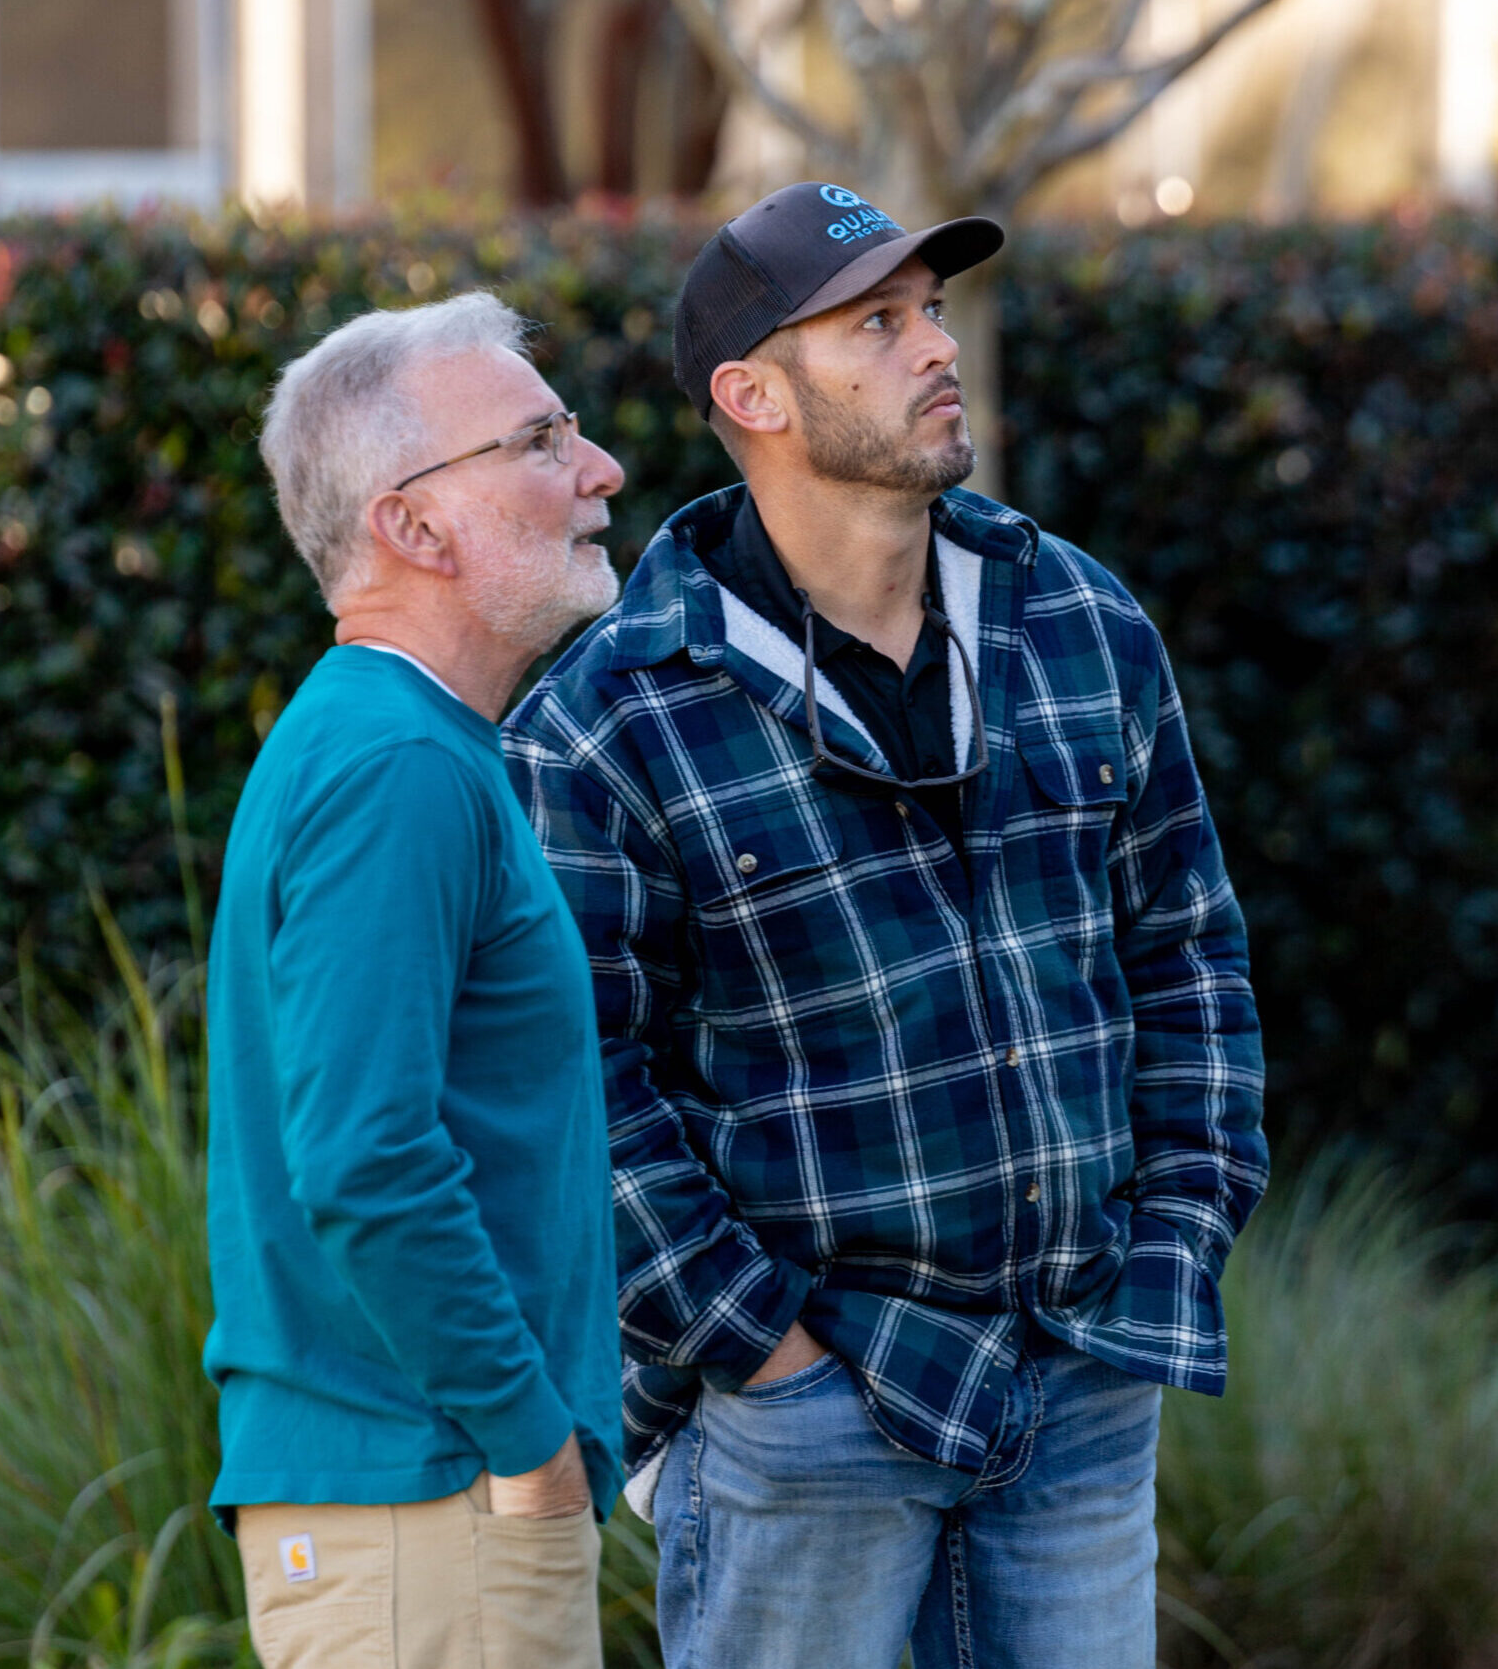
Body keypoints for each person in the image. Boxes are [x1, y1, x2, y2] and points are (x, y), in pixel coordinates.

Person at [503, 184, 1267, 1669]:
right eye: (875, 322)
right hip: (811, 1423)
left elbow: (1189, 949)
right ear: (752, 394)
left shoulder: (1080, 624)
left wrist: (1173, 1237)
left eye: (928, 309)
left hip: (1085, 1378)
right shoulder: (610, 719)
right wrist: (766, 1355)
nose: (934, 345)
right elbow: (574, 1090)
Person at [204, 291, 625, 1669]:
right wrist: (532, 1443)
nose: (598, 469)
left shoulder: (405, 745)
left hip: (426, 1504)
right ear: (415, 523)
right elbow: (368, 1159)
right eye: (540, 439)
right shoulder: (394, 766)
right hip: (429, 1505)